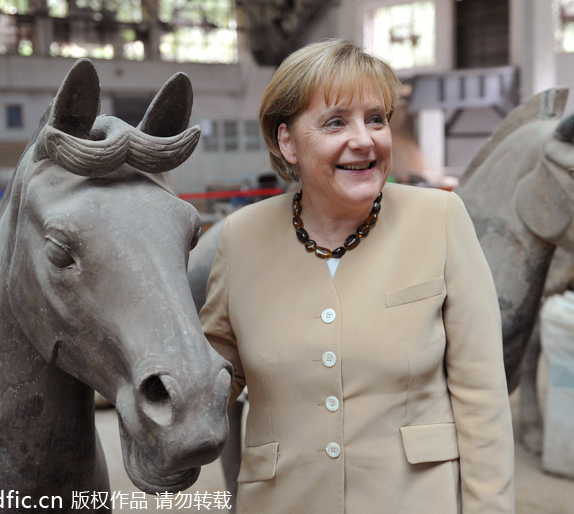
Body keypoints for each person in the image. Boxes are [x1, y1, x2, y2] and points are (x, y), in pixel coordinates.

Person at [200, 38, 514, 513]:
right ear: (287, 141)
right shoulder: (241, 237)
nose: (365, 140)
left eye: (376, 119)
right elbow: (211, 383)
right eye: (335, 122)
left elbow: (483, 399)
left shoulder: (440, 220)